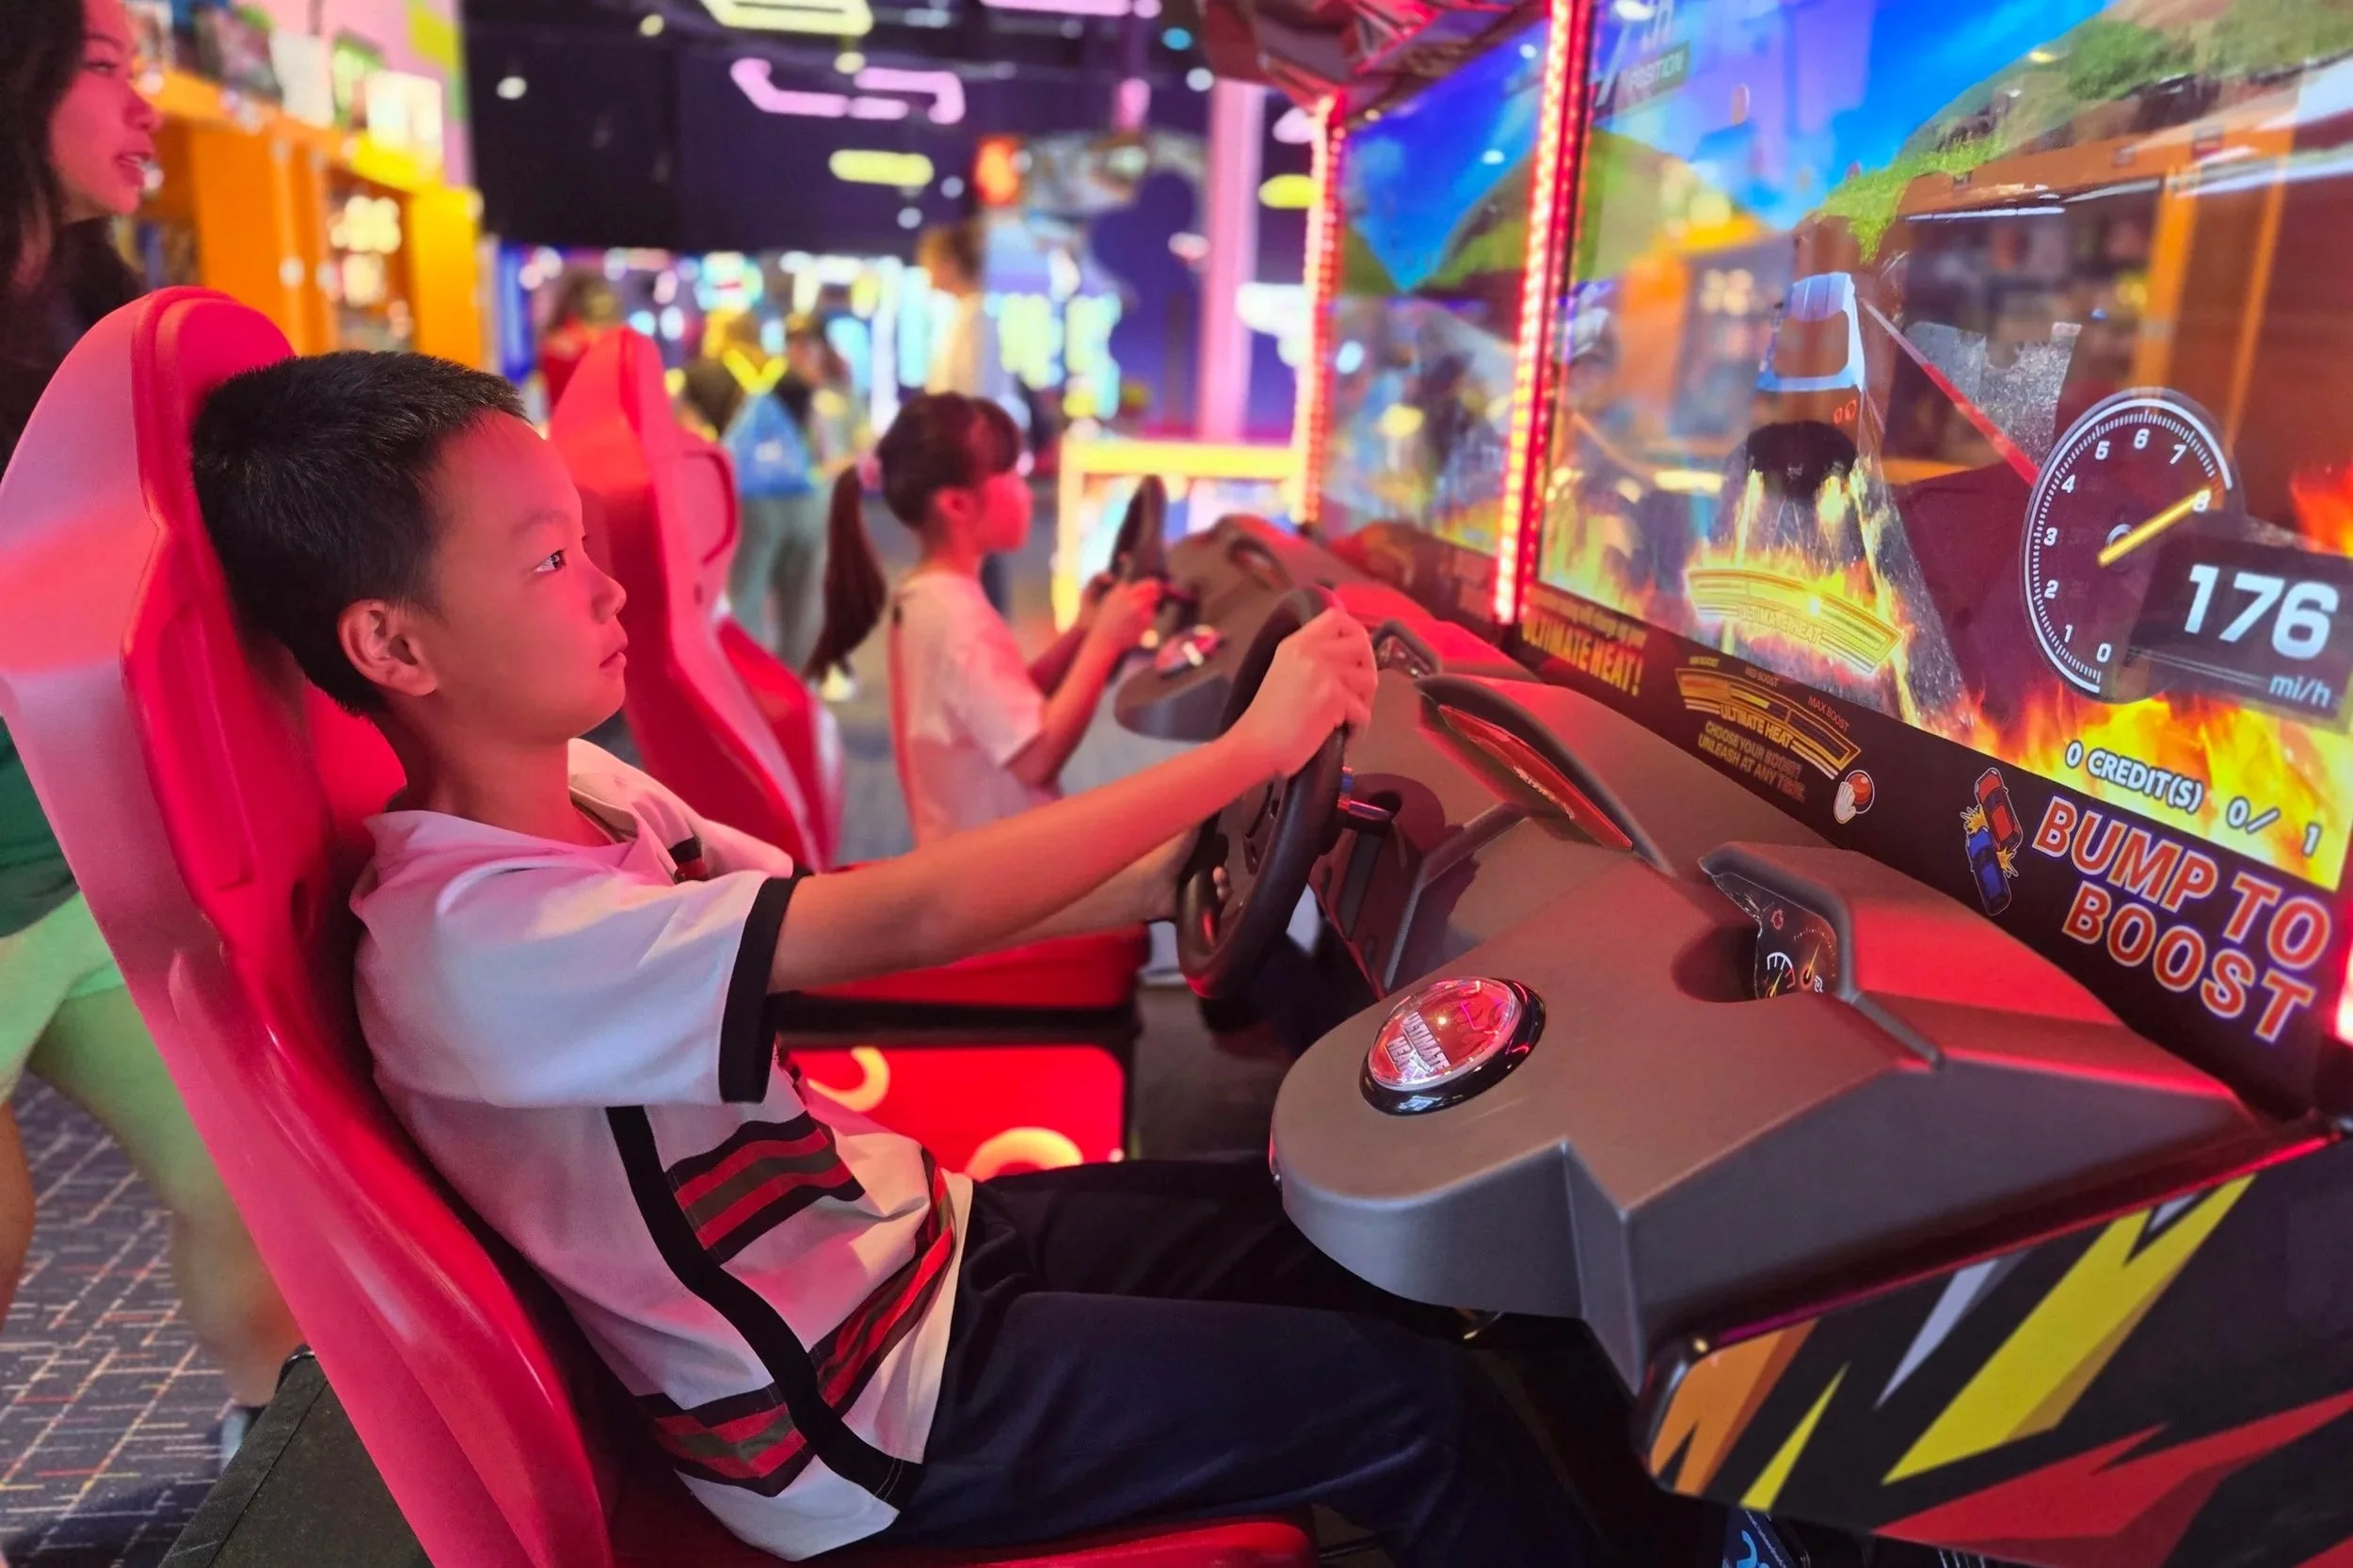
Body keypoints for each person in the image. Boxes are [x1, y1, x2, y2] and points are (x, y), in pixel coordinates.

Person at [187, 349, 1598, 1568]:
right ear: (394, 643)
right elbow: (900, 926)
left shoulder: (595, 796)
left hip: (912, 1251)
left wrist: (1183, 876)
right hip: (847, 1415)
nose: (613, 589)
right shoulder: (474, 941)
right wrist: (1245, 756)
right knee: (1411, 1407)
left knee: (1326, 1224)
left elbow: (837, 903)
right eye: (553, 560)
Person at [0, 0, 301, 1471]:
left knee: (252, 1175)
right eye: (110, 65)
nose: (147, 107)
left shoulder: (104, 303)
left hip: (75, 865)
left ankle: (275, 1468)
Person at [805, 393, 1162, 846]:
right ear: (955, 504)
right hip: (997, 878)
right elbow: (1036, 756)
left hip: (977, 856)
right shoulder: (958, 619)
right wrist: (1106, 642)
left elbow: (1002, 701)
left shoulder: (929, 595)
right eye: (1011, 473)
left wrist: (1082, 632)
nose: (1025, 487)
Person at [916, 221, 1018, 616]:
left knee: (977, 559)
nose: (927, 273)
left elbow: (973, 400)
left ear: (949, 263)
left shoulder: (976, 320)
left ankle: (990, 653)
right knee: (973, 560)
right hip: (966, 460)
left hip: (969, 462)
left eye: (930, 264)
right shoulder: (967, 318)